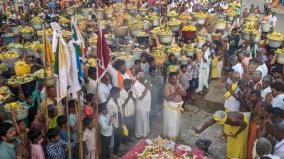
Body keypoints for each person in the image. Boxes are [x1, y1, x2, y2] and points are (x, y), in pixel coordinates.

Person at [163, 72, 187, 140]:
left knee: (176, 123)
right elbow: (167, 98)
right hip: (171, 108)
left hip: (177, 107)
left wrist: (180, 91)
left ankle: (175, 136)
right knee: (171, 124)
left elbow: (185, 94)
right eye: (173, 79)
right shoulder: (167, 86)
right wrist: (176, 92)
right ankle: (171, 138)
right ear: (169, 78)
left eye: (176, 79)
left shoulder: (178, 84)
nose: (175, 80)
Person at [133, 72, 151, 138]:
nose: (144, 79)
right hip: (141, 106)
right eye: (142, 78)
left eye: (144, 78)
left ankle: (145, 132)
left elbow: (150, 86)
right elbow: (141, 97)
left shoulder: (144, 81)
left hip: (146, 105)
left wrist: (146, 84)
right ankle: (140, 135)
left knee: (146, 119)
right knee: (141, 121)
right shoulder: (136, 85)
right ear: (138, 78)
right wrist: (146, 87)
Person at [106, 87, 122, 155]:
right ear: (114, 93)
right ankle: (114, 153)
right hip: (115, 123)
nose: (119, 93)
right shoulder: (109, 103)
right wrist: (113, 125)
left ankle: (117, 151)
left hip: (120, 120)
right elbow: (109, 115)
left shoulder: (118, 99)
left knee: (119, 137)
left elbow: (120, 109)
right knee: (116, 138)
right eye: (118, 92)